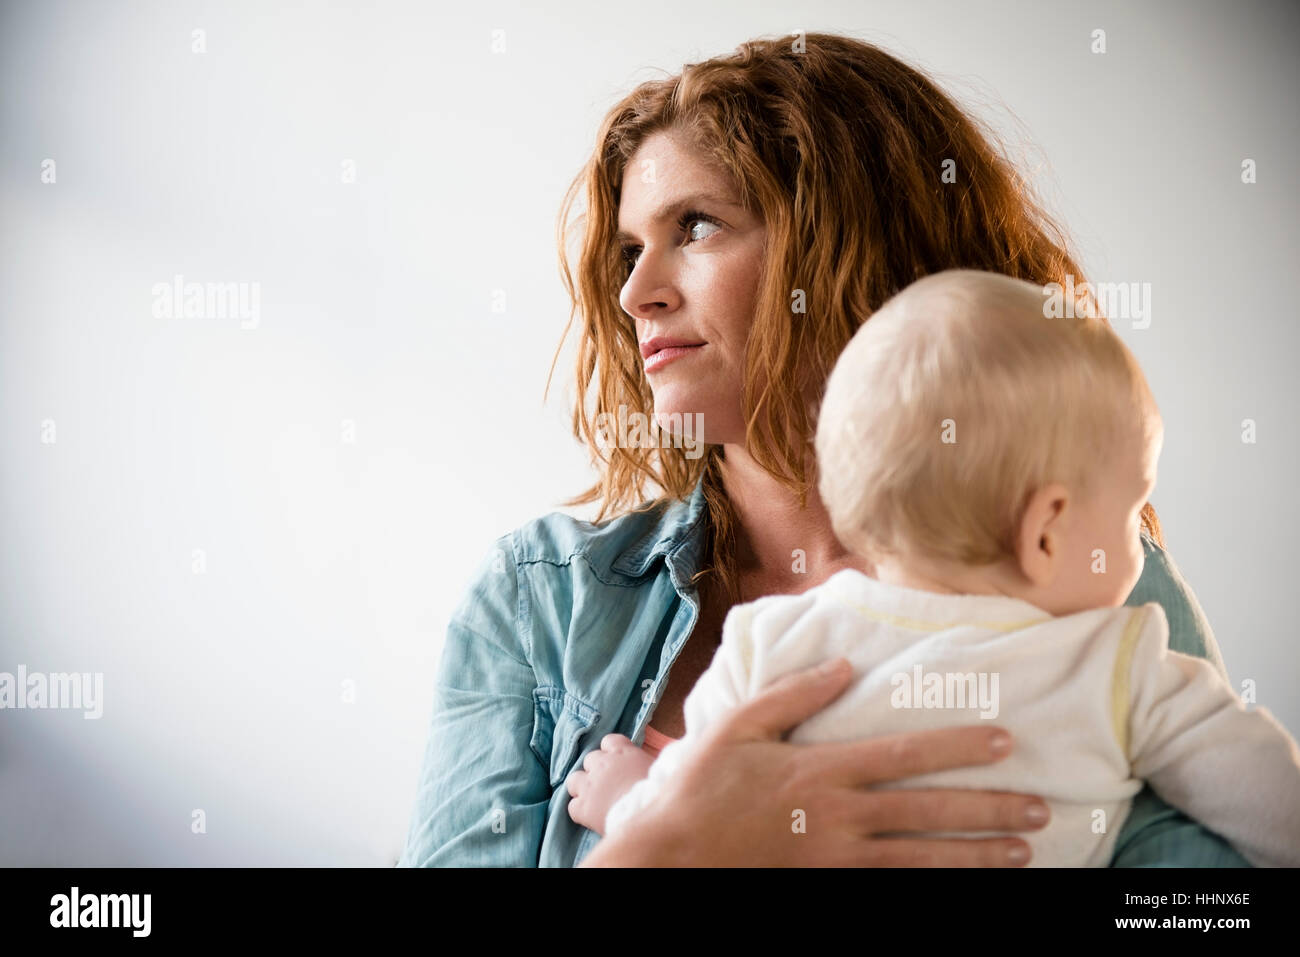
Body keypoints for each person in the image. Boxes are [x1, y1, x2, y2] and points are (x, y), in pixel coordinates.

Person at [397, 32, 1250, 867]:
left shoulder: (1094, 570)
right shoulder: (537, 602)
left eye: (693, 226)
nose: (634, 293)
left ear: (849, 243)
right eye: (629, 249)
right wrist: (667, 849)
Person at [577, 270, 1300, 867]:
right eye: (1131, 511)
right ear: (1045, 531)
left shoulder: (772, 641)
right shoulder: (1118, 664)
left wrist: (626, 800)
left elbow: (693, 807)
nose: (1139, 548)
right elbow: (1273, 803)